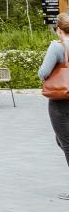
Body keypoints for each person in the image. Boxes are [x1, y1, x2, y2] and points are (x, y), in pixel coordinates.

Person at [39, 13, 69, 200]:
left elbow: (43, 72)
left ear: (59, 29)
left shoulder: (57, 47)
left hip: (61, 100)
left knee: (66, 143)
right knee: (62, 140)